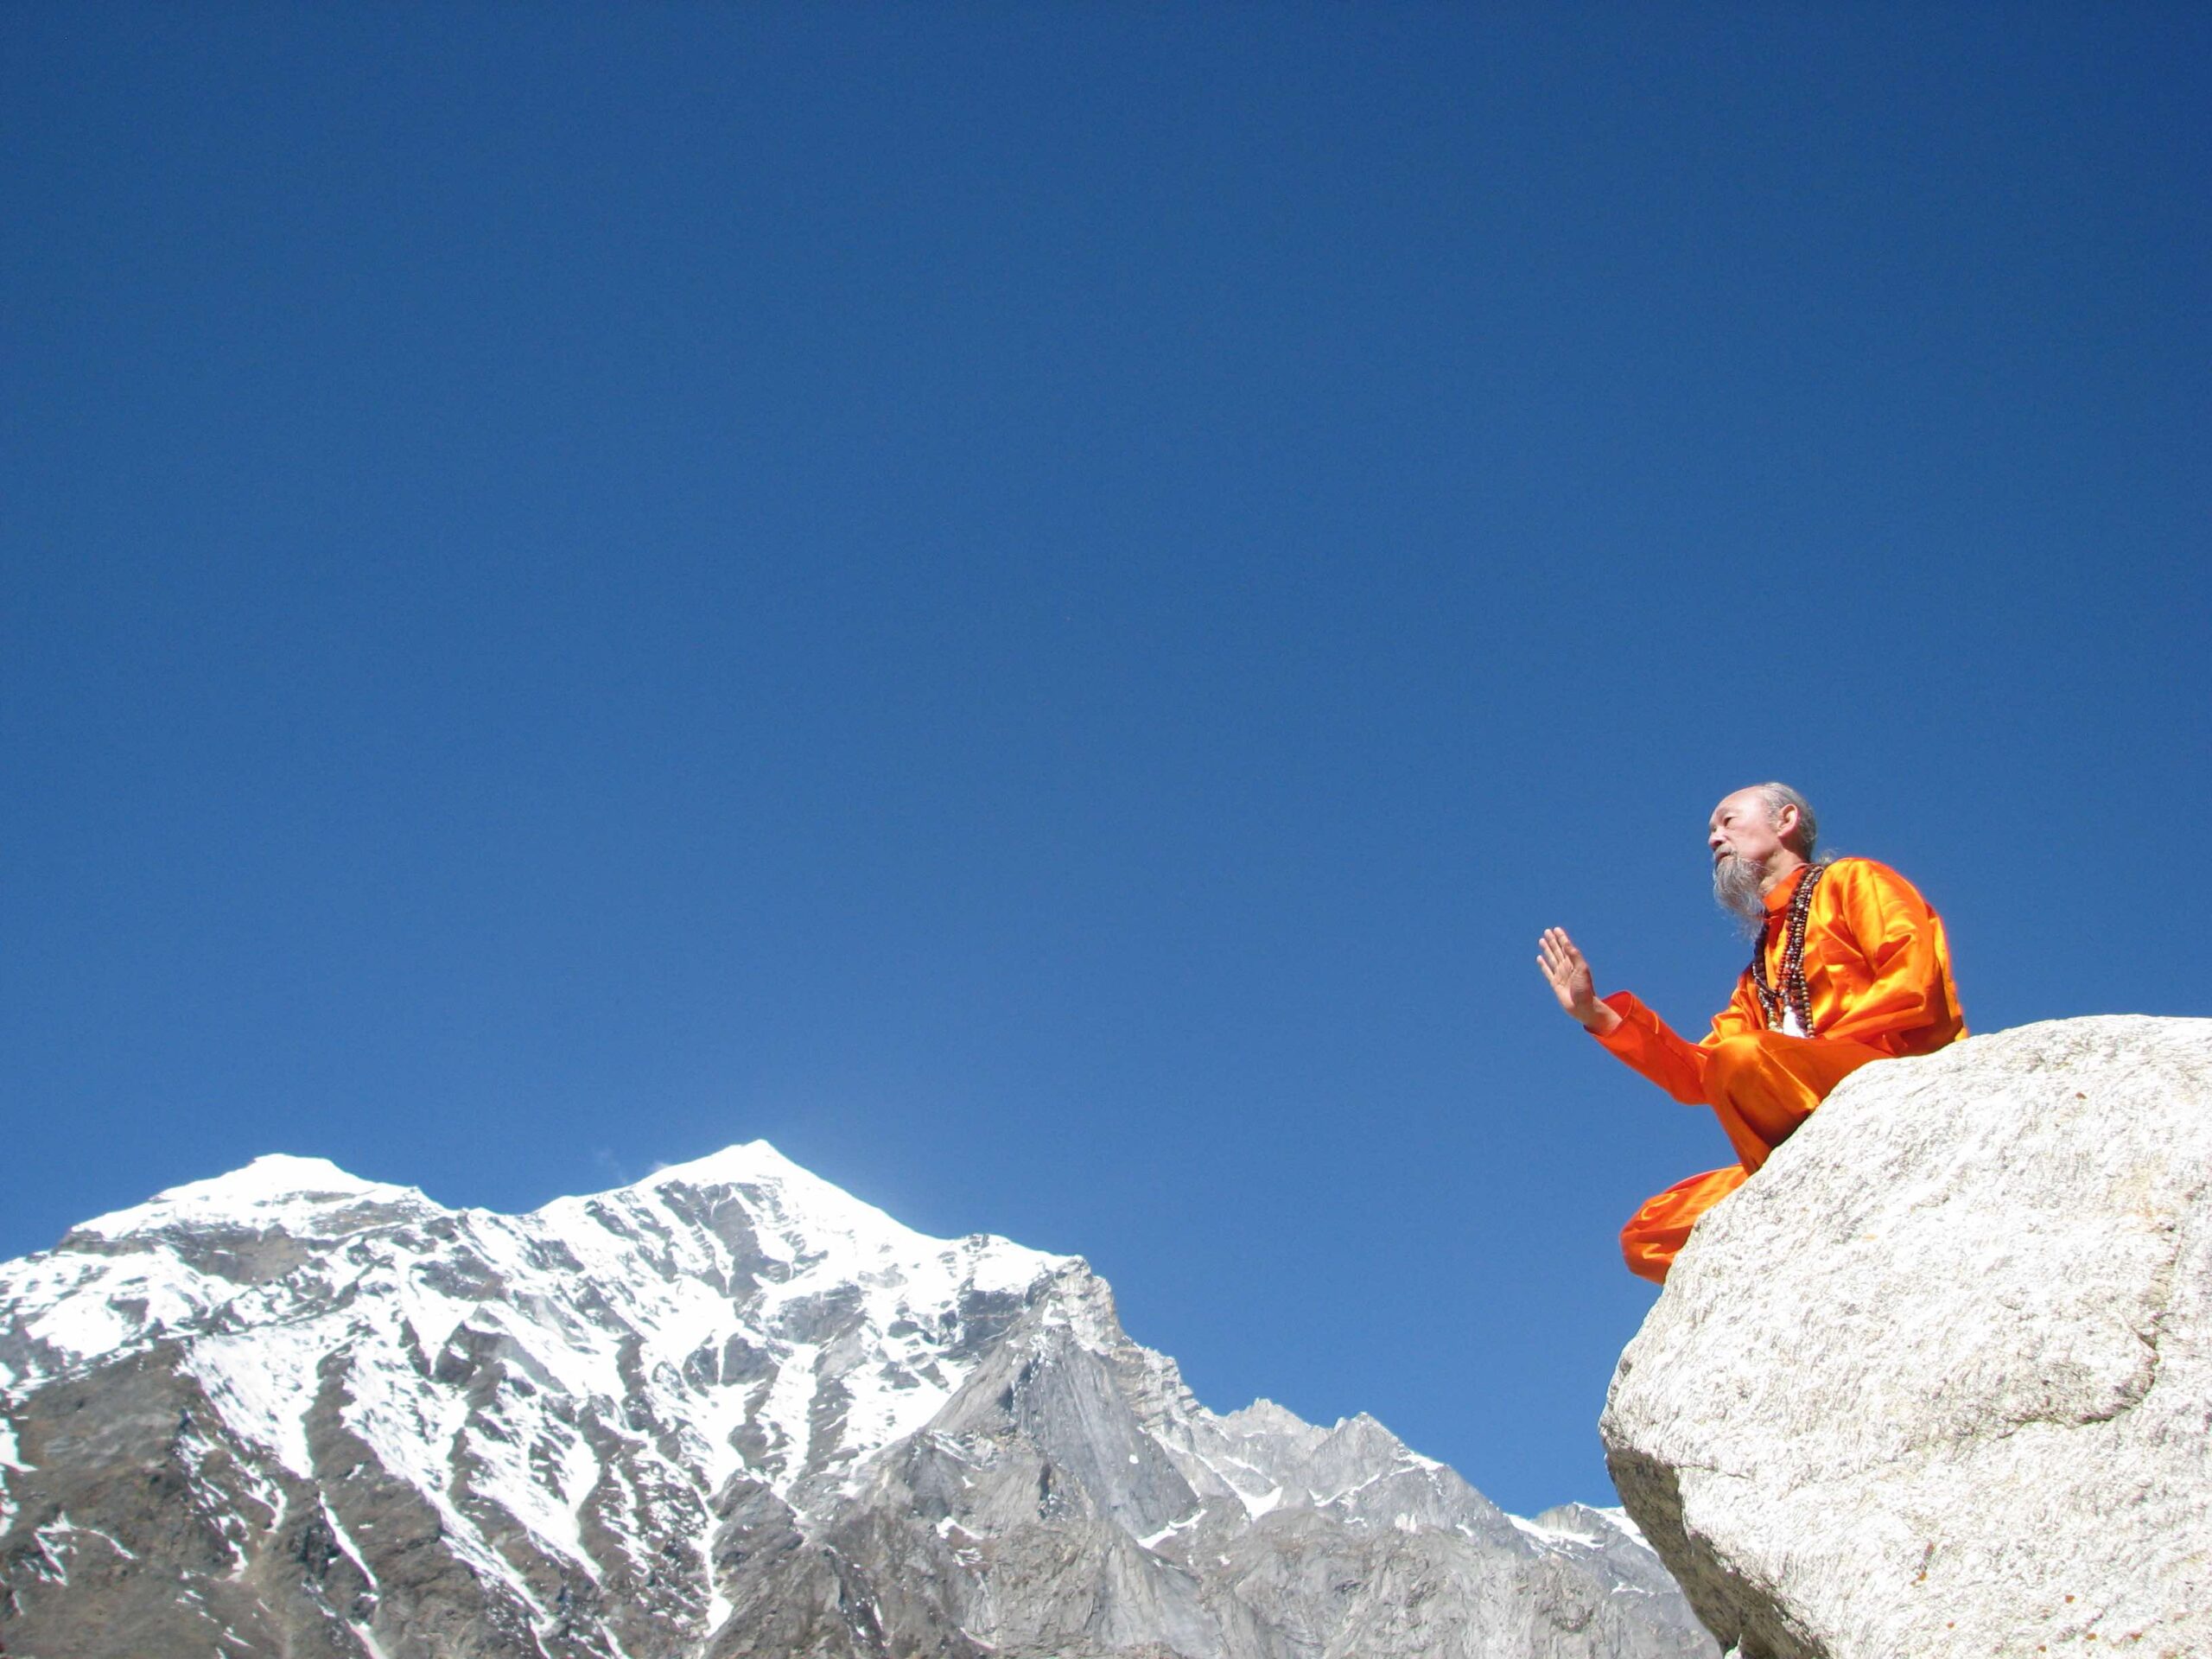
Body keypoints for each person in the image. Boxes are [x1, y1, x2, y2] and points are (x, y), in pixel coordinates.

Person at [1537, 784, 1964, 1284]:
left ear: (1785, 821)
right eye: (1711, 831)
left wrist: (1803, 1054)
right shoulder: (1758, 972)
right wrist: (1596, 1014)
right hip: (1792, 1131)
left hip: (1883, 1088)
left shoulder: (1854, 881)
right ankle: (1799, 1250)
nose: (1714, 839)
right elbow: (1701, 1074)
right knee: (1650, 1234)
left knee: (1745, 1057)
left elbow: (1913, 984)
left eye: (1727, 821)